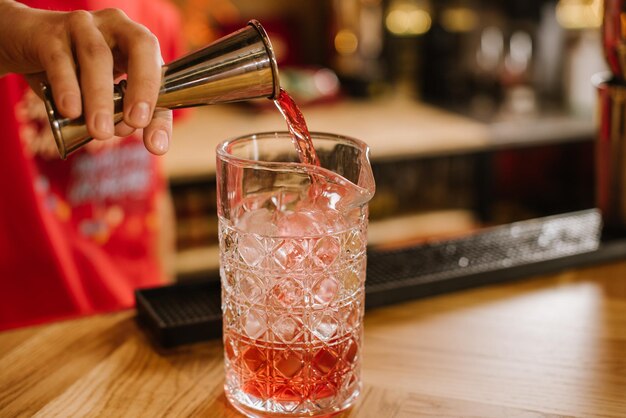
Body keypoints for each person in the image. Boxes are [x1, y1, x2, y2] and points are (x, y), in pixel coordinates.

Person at [0, 0, 185, 330]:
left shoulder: (160, 18)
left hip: (136, 315)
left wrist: (164, 292)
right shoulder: (15, 23)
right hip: (25, 331)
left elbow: (155, 185)